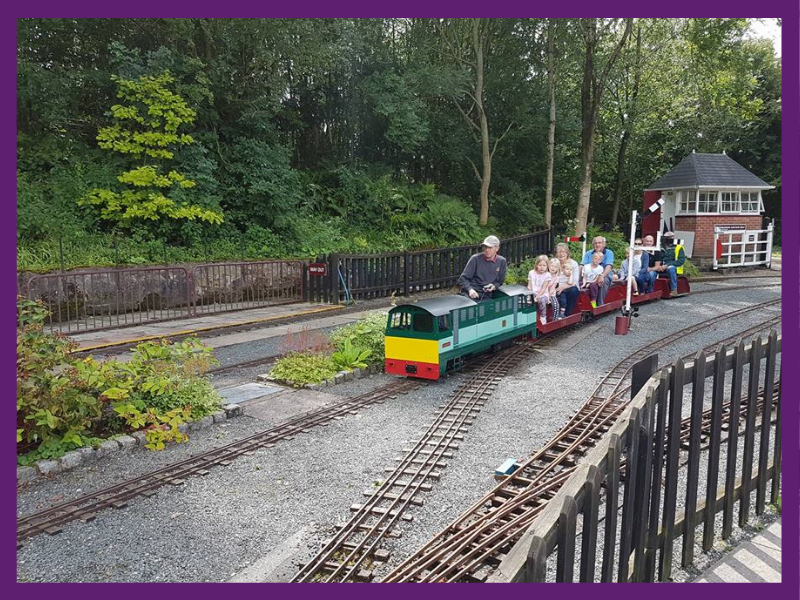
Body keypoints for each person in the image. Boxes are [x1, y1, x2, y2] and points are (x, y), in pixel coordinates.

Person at [458, 235, 507, 301]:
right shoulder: (475, 259)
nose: (487, 250)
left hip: (487, 296)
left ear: (497, 248)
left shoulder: (502, 261)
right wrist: (470, 289)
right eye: (485, 247)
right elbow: (463, 279)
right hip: (470, 294)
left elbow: (500, 282)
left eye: (490, 247)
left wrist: (493, 286)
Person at [581, 236, 614, 305]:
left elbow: (609, 266)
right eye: (595, 243)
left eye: (599, 243)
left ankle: (599, 304)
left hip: (603, 274)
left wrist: (602, 275)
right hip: (589, 275)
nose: (597, 245)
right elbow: (582, 265)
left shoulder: (609, 253)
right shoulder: (588, 253)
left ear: (604, 244)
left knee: (603, 280)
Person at [653, 231, 685, 296]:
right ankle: (651, 290)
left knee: (671, 269)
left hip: (673, 267)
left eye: (671, 237)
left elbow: (681, 260)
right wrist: (659, 266)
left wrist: (667, 265)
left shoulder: (679, 247)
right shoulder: (660, 247)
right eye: (668, 237)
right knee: (652, 273)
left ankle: (674, 290)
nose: (670, 239)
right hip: (660, 266)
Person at [554, 243, 580, 316]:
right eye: (559, 252)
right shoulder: (554, 263)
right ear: (556, 253)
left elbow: (575, 281)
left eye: (563, 252)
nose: (561, 254)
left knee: (573, 291)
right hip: (556, 286)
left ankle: (567, 314)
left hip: (570, 286)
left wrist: (562, 287)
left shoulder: (573, 263)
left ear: (567, 253)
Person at [527, 255, 552, 324]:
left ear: (547, 266)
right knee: (526, 301)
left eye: (544, 265)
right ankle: (530, 317)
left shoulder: (547, 275)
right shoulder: (531, 273)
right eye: (540, 265)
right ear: (536, 265)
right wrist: (529, 295)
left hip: (543, 294)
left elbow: (543, 289)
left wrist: (537, 297)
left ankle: (543, 317)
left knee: (541, 300)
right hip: (533, 293)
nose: (542, 267)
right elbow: (529, 286)